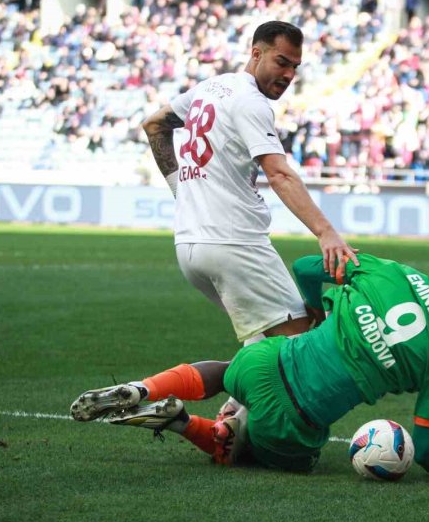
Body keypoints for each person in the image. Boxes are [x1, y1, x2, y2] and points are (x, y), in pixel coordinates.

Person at [71, 251, 429, 478]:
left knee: (229, 368)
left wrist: (315, 309)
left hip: (267, 359)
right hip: (294, 421)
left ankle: (146, 389)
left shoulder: (390, 271)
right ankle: (183, 423)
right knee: (241, 453)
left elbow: (307, 265)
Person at [140, 20, 358, 345]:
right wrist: (325, 232)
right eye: (281, 62)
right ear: (256, 53)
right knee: (299, 346)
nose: (288, 75)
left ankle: (148, 392)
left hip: (189, 246)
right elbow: (280, 174)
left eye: (294, 67)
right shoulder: (250, 101)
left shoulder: (211, 88)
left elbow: (154, 123)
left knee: (260, 348)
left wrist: (179, 188)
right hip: (234, 243)